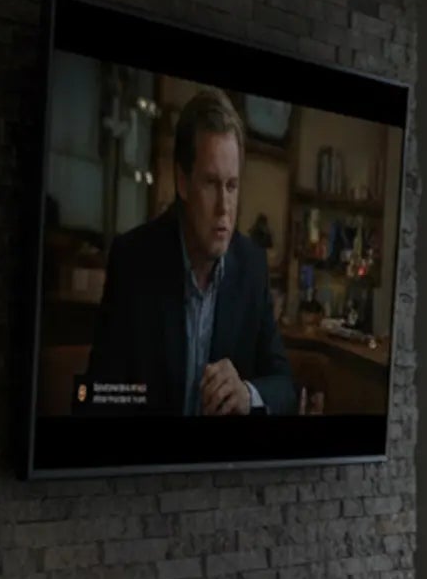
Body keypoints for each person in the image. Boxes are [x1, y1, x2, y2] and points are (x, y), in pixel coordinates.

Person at [84, 88, 296, 416]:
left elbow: (285, 387)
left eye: (232, 186)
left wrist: (247, 393)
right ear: (182, 182)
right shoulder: (133, 259)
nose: (224, 208)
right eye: (211, 184)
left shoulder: (252, 265)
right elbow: (96, 394)